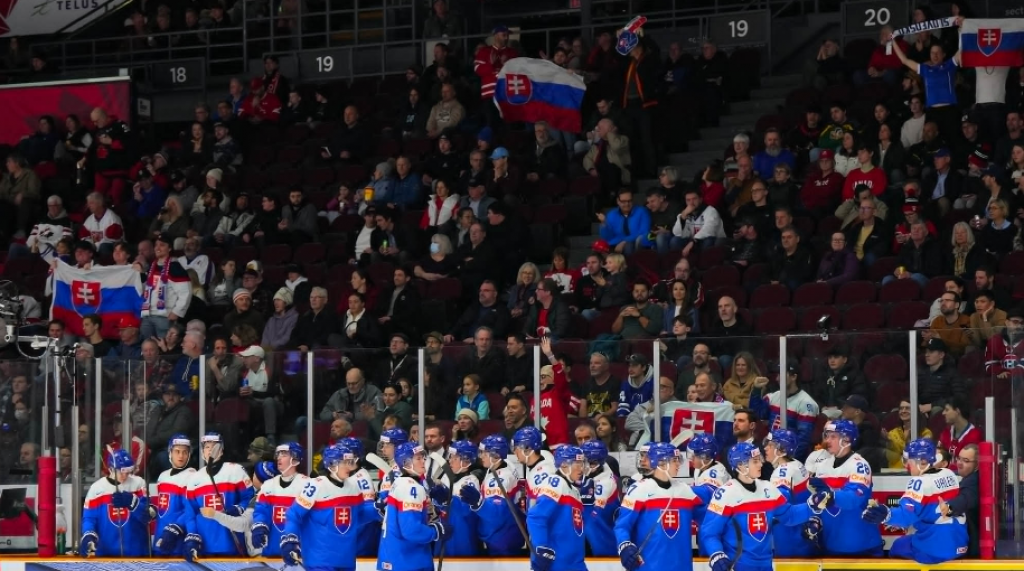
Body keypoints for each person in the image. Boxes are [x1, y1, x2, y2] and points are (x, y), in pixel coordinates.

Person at [700, 443, 831, 571]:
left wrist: (811, 505)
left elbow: (789, 515)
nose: (761, 464)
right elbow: (710, 532)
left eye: (760, 460)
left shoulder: (768, 488)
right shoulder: (725, 494)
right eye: (755, 461)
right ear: (741, 465)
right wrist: (717, 554)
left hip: (766, 564)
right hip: (738, 565)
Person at [862, 438, 969, 564]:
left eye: (909, 462)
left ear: (922, 463)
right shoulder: (950, 474)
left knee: (897, 546)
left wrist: (886, 514)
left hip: (934, 550)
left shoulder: (919, 482)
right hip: (960, 545)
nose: (907, 466)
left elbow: (906, 516)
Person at [280, 442, 375, 568]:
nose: (349, 467)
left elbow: (357, 517)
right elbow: (294, 515)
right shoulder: (315, 486)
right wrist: (290, 539)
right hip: (320, 561)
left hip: (346, 560)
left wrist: (377, 510)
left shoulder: (354, 487)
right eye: (345, 463)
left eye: (350, 462)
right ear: (332, 464)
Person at [614, 442, 697, 571]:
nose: (678, 464)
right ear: (661, 463)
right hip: (649, 566)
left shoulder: (685, 490)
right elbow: (622, 526)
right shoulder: (638, 490)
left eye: (678, 459)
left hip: (682, 565)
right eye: (674, 460)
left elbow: (708, 521)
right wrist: (624, 545)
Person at [805, 419, 882, 557]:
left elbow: (853, 498)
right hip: (830, 543)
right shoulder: (822, 466)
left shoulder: (859, 465)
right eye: (827, 436)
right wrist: (814, 519)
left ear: (846, 440)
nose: (827, 440)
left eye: (833, 437)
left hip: (861, 545)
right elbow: (817, 500)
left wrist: (830, 495)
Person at [377, 442, 452, 571]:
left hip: (393, 556)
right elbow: (411, 530)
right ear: (406, 463)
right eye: (418, 458)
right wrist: (436, 532)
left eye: (423, 457)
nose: (423, 461)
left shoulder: (399, 482)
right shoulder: (412, 487)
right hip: (407, 560)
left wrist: (436, 509)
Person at [181, 432, 255, 560]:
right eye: (206, 447)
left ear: (221, 450)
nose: (210, 450)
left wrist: (239, 508)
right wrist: (192, 536)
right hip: (205, 545)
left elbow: (250, 498)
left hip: (232, 542)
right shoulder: (194, 479)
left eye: (214, 446)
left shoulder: (235, 471)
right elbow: (190, 513)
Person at [526, 445, 588, 571]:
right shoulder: (555, 482)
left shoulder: (574, 491)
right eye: (577, 464)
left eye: (582, 464)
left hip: (574, 562)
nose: (581, 469)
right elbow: (536, 517)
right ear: (564, 465)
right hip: (557, 563)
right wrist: (541, 547)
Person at [80, 449, 150, 557]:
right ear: (111, 469)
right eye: (121, 472)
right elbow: (89, 519)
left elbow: (147, 516)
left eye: (127, 472)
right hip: (106, 554)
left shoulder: (138, 483)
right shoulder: (97, 488)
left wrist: (132, 503)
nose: (125, 475)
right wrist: (88, 534)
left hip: (136, 553)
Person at [748, 365, 819, 460]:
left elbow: (803, 440)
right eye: (778, 375)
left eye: (781, 375)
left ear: (794, 377)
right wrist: (756, 390)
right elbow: (757, 414)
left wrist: (787, 460)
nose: (777, 379)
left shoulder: (807, 404)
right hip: (770, 452)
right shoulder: (773, 397)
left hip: (789, 458)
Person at [251, 443, 308, 558]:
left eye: (284, 454)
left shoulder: (307, 485)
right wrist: (259, 526)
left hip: (298, 554)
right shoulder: (268, 485)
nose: (279, 458)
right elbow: (261, 511)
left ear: (295, 459)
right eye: (278, 454)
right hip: (271, 552)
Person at [764, 429, 815, 557]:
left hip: (789, 533)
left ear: (781, 450)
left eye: (770, 445)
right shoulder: (796, 464)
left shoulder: (783, 472)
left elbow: (779, 502)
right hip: (802, 528)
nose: (765, 448)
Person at [431, 440, 481, 556]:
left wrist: (448, 500)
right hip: (444, 530)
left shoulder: (471, 481)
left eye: (455, 458)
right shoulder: (445, 478)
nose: (450, 460)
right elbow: (439, 507)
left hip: (462, 534)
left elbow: (466, 511)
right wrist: (437, 501)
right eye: (450, 457)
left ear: (466, 460)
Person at [152, 435, 197, 555]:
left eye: (184, 452)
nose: (181, 456)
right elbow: (161, 507)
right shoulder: (163, 476)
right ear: (170, 453)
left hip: (177, 539)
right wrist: (151, 510)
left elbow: (191, 510)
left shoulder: (192, 476)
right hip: (159, 536)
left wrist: (176, 528)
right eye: (177, 451)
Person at [579, 440, 619, 556]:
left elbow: (595, 514)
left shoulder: (605, 483)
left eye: (587, 462)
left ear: (596, 463)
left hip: (602, 538)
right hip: (588, 534)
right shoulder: (593, 473)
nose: (583, 465)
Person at [947, 443, 980, 557]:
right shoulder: (969, 479)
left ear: (977, 465)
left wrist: (945, 509)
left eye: (965, 460)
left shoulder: (972, 482)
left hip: (971, 548)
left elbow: (962, 502)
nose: (959, 463)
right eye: (959, 458)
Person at [514, 426, 555, 510]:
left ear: (527, 449)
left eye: (516, 448)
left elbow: (543, 508)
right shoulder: (535, 464)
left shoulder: (543, 472)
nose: (515, 452)